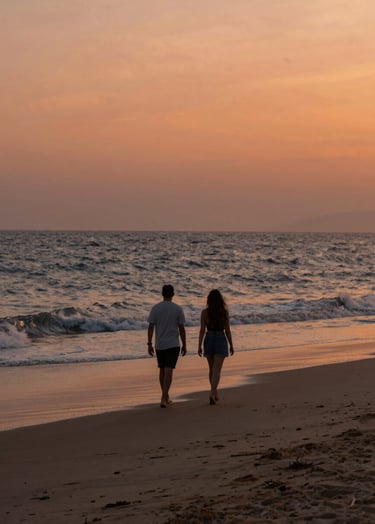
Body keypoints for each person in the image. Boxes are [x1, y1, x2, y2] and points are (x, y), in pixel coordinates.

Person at [147, 284, 187, 408]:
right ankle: (164, 397)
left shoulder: (155, 308)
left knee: (164, 370)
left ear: (162, 294)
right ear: (173, 294)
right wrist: (184, 344)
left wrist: (149, 343)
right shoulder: (178, 309)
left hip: (160, 344)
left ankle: (164, 396)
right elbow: (181, 328)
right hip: (173, 344)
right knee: (167, 370)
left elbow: (151, 327)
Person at [198, 289, 234, 405]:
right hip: (220, 338)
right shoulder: (224, 312)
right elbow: (227, 330)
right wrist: (231, 345)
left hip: (208, 339)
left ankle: (214, 391)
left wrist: (199, 345)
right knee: (217, 370)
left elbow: (202, 330)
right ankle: (212, 393)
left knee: (211, 369)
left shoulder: (204, 313)